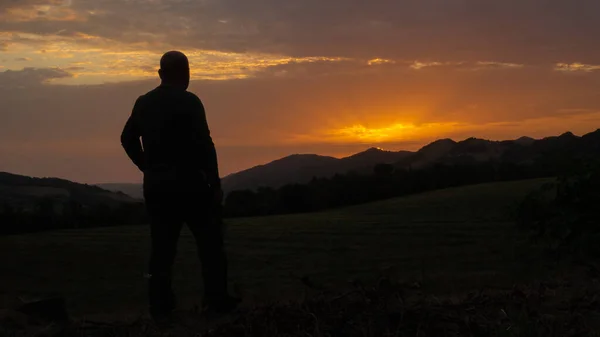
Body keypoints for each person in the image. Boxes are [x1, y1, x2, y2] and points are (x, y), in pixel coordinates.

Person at [120, 51, 240, 323]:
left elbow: (127, 138)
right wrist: (215, 182)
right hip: (192, 185)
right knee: (210, 246)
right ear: (185, 74)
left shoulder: (143, 102)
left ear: (161, 74)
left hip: (158, 187)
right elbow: (206, 144)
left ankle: (160, 307)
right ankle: (217, 300)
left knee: (161, 251)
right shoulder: (190, 102)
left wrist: (146, 166)